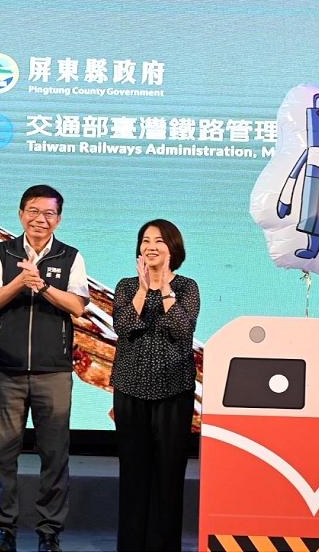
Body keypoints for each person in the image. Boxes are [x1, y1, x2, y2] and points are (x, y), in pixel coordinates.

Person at [0, 185, 89, 552]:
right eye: (33, 211)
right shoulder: (1, 252)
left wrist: (42, 286)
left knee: (54, 455)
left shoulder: (70, 256)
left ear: (59, 219)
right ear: (21, 214)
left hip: (53, 372)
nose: (40, 219)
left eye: (49, 214)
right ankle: (3, 531)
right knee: (2, 454)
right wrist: (19, 281)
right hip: (7, 371)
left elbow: (77, 306)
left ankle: (49, 532)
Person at [110, 219, 199, 552]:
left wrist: (163, 288)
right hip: (130, 388)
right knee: (134, 473)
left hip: (174, 390)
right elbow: (123, 326)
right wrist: (144, 288)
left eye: (159, 241)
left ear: (173, 247)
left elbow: (182, 329)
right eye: (145, 240)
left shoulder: (187, 287)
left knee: (169, 475)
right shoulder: (126, 286)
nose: (151, 246)